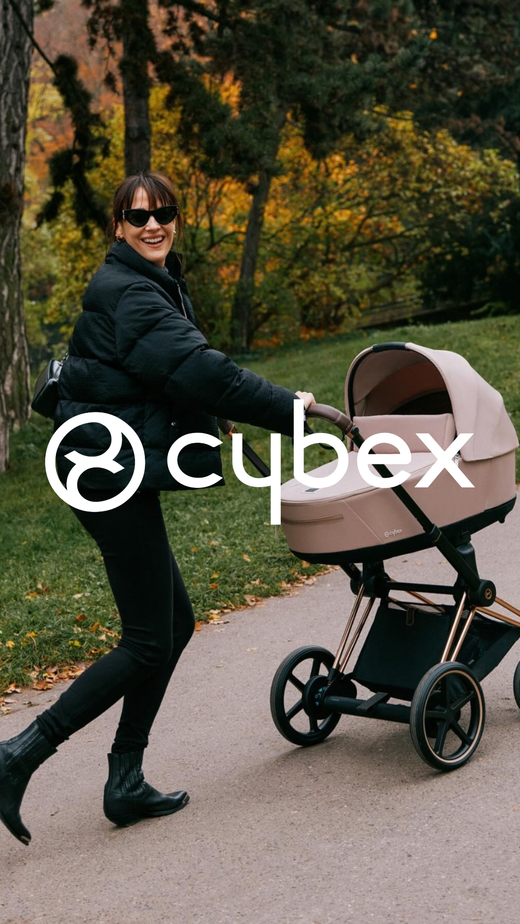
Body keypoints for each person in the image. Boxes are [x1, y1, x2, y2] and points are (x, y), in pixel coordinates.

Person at [0, 171, 316, 845]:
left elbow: (165, 374)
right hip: (101, 470)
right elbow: (204, 372)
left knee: (173, 622)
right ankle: (17, 754)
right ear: (117, 226)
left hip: (108, 461)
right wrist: (294, 409)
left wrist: (209, 412)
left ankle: (125, 778)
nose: (153, 224)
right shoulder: (131, 291)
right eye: (138, 215)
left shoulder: (153, 281)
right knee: (149, 637)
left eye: (164, 213)